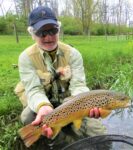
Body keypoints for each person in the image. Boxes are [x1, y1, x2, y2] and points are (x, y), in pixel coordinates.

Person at [15, 6, 106, 148]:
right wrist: (43, 107)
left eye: (53, 30)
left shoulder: (73, 54)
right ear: (32, 34)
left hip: (71, 102)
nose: (49, 37)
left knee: (100, 136)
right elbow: (33, 90)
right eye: (42, 33)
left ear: (59, 29)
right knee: (27, 116)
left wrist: (86, 104)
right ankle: (61, 142)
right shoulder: (25, 58)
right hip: (44, 103)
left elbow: (79, 85)